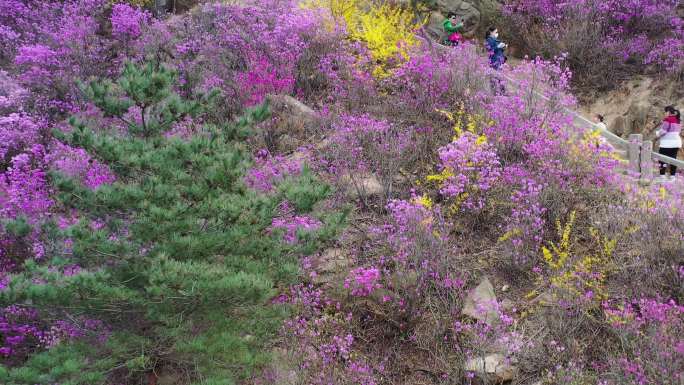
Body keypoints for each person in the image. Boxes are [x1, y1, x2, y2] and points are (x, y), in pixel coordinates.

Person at [655, 105, 682, 181]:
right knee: (673, 159)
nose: (664, 113)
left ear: (668, 112)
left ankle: (662, 176)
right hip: (676, 143)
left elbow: (663, 131)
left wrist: (657, 134)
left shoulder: (667, 119)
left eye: (665, 112)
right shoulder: (678, 120)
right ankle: (672, 177)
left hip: (667, 143)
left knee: (662, 159)